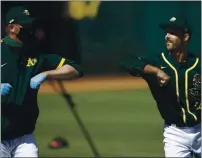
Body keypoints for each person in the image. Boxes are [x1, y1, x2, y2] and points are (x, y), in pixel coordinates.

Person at [1, 6, 83, 157]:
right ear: (11, 28)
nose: (31, 30)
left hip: (24, 138)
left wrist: (47, 74)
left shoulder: (37, 55)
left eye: (31, 25)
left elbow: (75, 69)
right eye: (25, 26)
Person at [121, 16, 201, 157]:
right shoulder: (157, 62)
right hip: (175, 134)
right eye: (166, 32)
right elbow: (127, 61)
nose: (167, 36)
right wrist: (156, 71)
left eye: (173, 33)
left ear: (186, 37)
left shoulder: (198, 64)